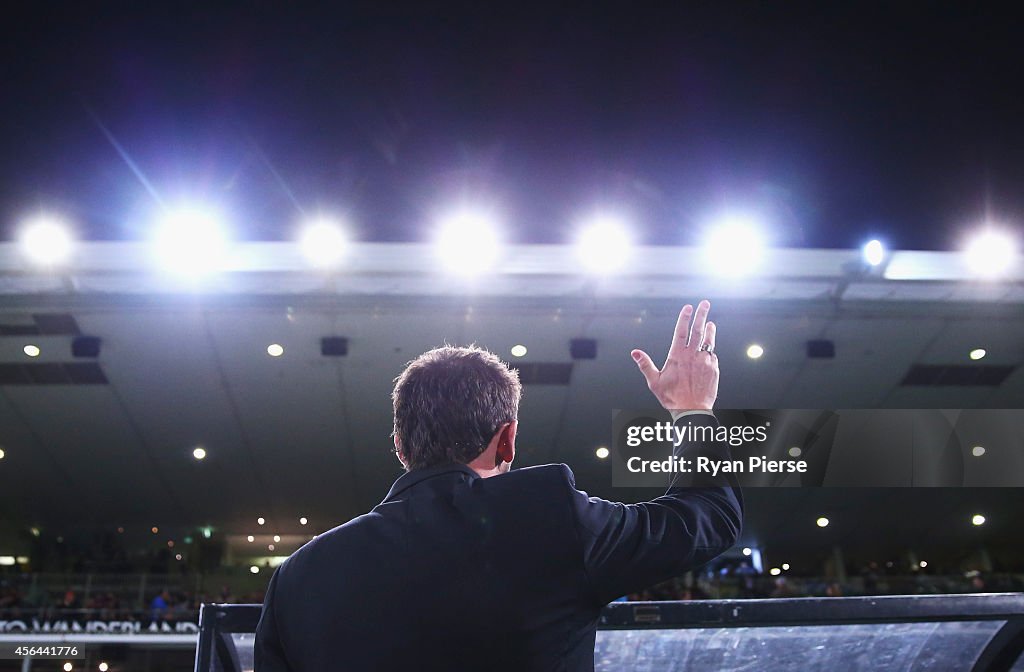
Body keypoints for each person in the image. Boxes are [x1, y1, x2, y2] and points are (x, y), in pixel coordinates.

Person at [255, 300, 743, 671]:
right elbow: (708, 516)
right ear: (507, 440)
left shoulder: (299, 577)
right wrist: (691, 409)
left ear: (401, 446)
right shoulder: (553, 520)